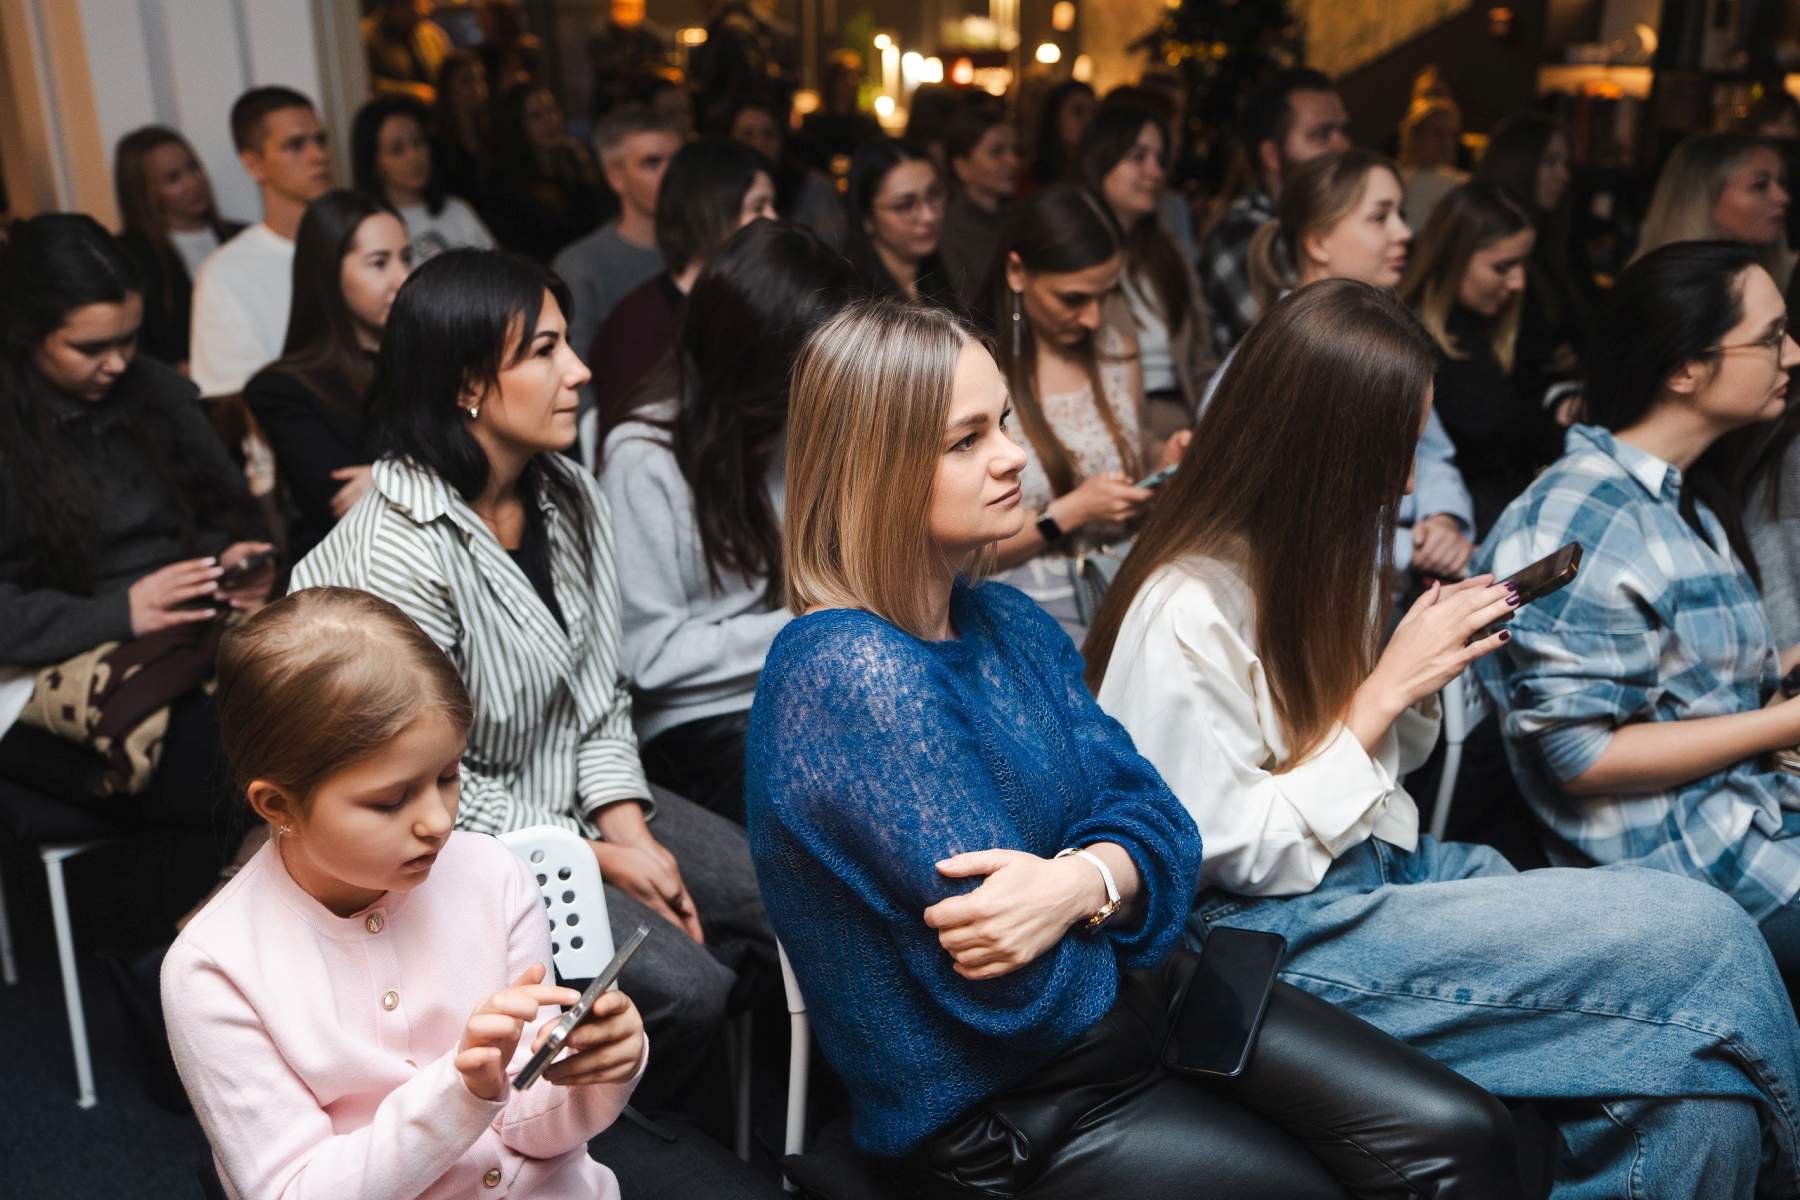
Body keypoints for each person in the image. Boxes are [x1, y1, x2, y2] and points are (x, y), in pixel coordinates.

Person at [748, 294, 1523, 1197]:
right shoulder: (846, 672)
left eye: (1005, 421)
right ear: (873, 467)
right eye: (966, 441)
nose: (1014, 456)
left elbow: (1168, 826)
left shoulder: (1005, 621)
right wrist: (1124, 886)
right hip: (1016, 1110)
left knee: (1464, 1134)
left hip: (1143, 1012)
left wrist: (1080, 885)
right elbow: (1021, 998)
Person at [1086, 276, 1800, 1200]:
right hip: (1267, 932)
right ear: (1324, 448)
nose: (1409, 481)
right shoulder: (1183, 605)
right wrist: (1387, 687)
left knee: (1701, 1105)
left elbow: (1366, 774)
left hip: (1388, 869)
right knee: (1703, 933)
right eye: (1397, 449)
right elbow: (1217, 852)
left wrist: (1418, 680)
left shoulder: (1316, 561)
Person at [288, 249, 774, 1104]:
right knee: (683, 992)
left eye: (567, 344)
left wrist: (628, 827)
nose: (579, 371)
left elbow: (601, 697)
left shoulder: (569, 492)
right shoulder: (393, 552)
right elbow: (419, 782)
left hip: (581, 793)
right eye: (545, 351)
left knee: (776, 901)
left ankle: (764, 1129)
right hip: (457, 837)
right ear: (469, 385)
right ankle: (611, 1149)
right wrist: (600, 859)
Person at [163, 586, 646, 1198]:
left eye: (448, 775)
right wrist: (460, 1090)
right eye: (391, 801)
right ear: (277, 804)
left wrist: (596, 1072)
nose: (438, 822)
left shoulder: (493, 874)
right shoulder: (213, 970)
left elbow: (532, 1129)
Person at [1476, 241, 1800, 982]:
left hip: (1752, 817)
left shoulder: (1672, 497)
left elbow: (1691, 684)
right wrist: (1784, 724)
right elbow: (1581, 759)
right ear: (1686, 369)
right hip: (1695, 874)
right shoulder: (1580, 519)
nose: (1794, 354)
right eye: (1772, 336)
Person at [0, 214, 272, 827]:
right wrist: (120, 612)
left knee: (312, 693)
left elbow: (230, 512)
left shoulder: (156, 392)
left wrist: (240, 557)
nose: (118, 363)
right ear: (25, 334)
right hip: (54, 645)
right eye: (90, 349)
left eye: (129, 340)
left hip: (191, 619)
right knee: (211, 745)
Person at [601, 221, 854, 823]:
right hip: (698, 721)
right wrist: (809, 622)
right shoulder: (644, 457)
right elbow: (649, 656)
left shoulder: (790, 428)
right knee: (845, 796)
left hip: (801, 680)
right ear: (763, 358)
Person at [1232, 149, 1474, 581]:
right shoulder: (1272, 359)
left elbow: (1430, 450)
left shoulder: (1382, 338)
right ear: (1318, 242)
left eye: (1401, 214)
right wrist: (1407, 549)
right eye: (1380, 217)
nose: (1404, 232)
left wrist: (1444, 519)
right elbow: (1266, 519)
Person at [976, 185, 1175, 640]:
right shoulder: (980, 375)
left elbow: (1129, 458)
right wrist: (1070, 512)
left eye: (1105, 296)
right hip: (1023, 609)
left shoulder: (1115, 352)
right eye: (1073, 299)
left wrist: (1160, 464)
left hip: (1120, 581)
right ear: (1017, 272)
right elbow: (961, 555)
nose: (1093, 318)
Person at [245, 191, 412, 561]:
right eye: (379, 263)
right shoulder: (283, 389)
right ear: (329, 273)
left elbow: (486, 448)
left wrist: (391, 478)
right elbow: (346, 506)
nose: (403, 277)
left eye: (406, 257)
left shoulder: (430, 357)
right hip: (356, 573)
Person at [1398, 181, 1559, 538]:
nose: (1518, 282)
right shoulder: (1411, 343)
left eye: (1522, 264)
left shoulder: (1509, 325)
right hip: (1462, 530)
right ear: (1454, 259)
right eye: (1502, 267)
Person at [587, 139, 775, 424]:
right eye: (758, 207)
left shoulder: (758, 303)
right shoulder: (638, 327)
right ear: (709, 211)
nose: (773, 220)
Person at [1078, 102, 1217, 440]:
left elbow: (1202, 359)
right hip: (1113, 426)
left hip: (1187, 419)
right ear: (1101, 160)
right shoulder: (1076, 258)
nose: (1155, 172)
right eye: (1138, 157)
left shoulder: (1168, 253)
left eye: (1160, 159)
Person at [189, 86, 333, 400]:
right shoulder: (225, 273)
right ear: (254, 164)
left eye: (320, 141)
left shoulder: (359, 244)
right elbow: (231, 400)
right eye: (296, 145)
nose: (318, 156)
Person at [1199, 67, 1350, 356]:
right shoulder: (1240, 238)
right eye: (1322, 135)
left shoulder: (1337, 222)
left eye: (1343, 130)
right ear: (1272, 155)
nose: (1342, 146)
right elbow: (1299, 353)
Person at [552, 105, 682, 390]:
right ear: (616, 177)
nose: (671, 174)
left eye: (677, 161)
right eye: (652, 162)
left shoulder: (706, 250)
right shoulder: (581, 264)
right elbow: (573, 373)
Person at [1474, 113, 1592, 396]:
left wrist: (1575, 351)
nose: (1564, 175)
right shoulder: (1484, 239)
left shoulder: (1561, 241)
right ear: (1518, 165)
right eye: (1550, 162)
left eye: (1565, 163)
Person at [112, 126, 243, 369]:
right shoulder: (128, 255)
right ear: (142, 191)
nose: (193, 183)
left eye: (193, 168)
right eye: (173, 178)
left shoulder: (242, 236)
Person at [1633, 131, 1792, 292]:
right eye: (1760, 185)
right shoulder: (1663, 292)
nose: (1783, 197)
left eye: (1782, 183)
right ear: (1704, 197)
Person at [352, 96, 493, 265]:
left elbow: (496, 274)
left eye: (418, 142)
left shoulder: (458, 212)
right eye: (397, 150)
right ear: (373, 164)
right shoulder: (368, 227)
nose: (414, 156)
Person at [481, 83, 608, 264]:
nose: (550, 121)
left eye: (552, 110)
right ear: (518, 125)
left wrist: (586, 167)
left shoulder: (573, 163)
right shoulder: (506, 185)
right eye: (536, 116)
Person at [842, 138, 959, 307]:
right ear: (867, 218)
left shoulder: (941, 274)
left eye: (934, 195)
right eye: (905, 205)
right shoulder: (853, 301)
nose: (929, 216)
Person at [723, 92, 847, 248]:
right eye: (747, 135)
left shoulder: (813, 188)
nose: (758, 144)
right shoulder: (718, 190)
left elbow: (832, 250)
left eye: (769, 135)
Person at [938, 96, 1021, 306]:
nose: (1012, 161)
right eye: (997, 152)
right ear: (962, 166)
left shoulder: (1018, 218)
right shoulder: (949, 229)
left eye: (1016, 151)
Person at [796, 56, 881, 170]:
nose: (851, 83)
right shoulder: (812, 123)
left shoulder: (868, 123)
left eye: (855, 77)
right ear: (831, 82)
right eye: (844, 76)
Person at [1396, 97, 1466, 231]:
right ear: (1415, 135)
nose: (1446, 142)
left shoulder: (1462, 186)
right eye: (1437, 133)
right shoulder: (1394, 179)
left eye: (1451, 134)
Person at [432, 51, 490, 208]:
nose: (477, 87)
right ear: (448, 89)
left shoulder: (491, 135)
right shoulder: (437, 144)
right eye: (467, 81)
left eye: (481, 79)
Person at [1026, 80, 1095, 190]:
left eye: (1093, 113)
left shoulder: (1096, 173)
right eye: (1078, 112)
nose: (1088, 120)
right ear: (1055, 117)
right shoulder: (1029, 180)